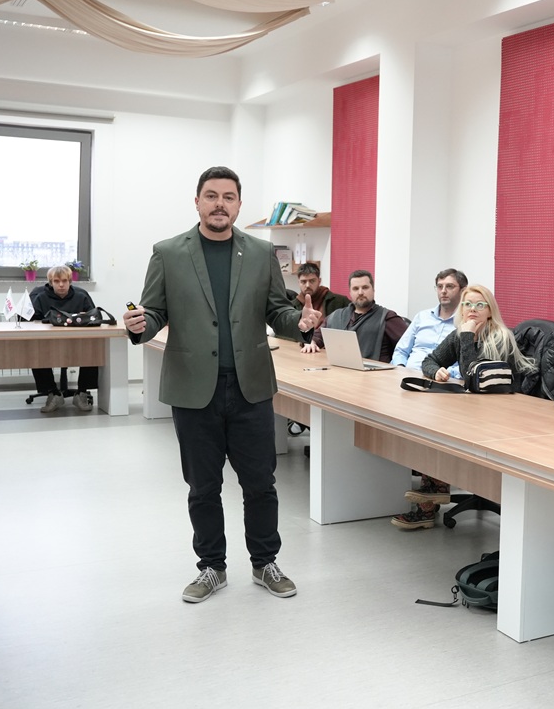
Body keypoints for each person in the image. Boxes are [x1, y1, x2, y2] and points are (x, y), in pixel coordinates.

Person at [123, 166, 306, 604]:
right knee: (203, 487)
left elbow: (278, 313)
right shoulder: (168, 252)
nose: (219, 204)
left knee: (260, 483)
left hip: (250, 387)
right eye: (211, 196)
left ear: (239, 205)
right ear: (197, 202)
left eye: (228, 197)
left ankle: (264, 563)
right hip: (193, 389)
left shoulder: (261, 252)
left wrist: (301, 322)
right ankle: (211, 568)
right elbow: (154, 312)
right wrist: (139, 324)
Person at [393, 285, 537, 529]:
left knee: (444, 429)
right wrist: (436, 371)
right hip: (473, 408)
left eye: (480, 305)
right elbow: (430, 359)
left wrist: (468, 336)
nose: (473, 309)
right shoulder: (461, 334)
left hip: (499, 413)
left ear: (490, 311)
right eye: (468, 304)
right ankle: (432, 493)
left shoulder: (501, 337)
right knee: (431, 424)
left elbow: (474, 377)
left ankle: (431, 497)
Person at [389, 268, 469, 525]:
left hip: (443, 389)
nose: (443, 291)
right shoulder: (422, 317)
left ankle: (427, 504)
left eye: (450, 286)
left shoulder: (466, 324)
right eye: (440, 286)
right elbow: (401, 351)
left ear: (462, 291)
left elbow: (466, 365)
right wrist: (398, 370)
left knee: (427, 428)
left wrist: (442, 374)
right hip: (409, 381)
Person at [29, 264, 100, 413]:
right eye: (56, 281)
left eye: (64, 281)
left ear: (70, 281)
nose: (61, 285)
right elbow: (32, 320)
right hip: (48, 342)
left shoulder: (81, 296)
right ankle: (53, 393)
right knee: (35, 354)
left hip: (78, 342)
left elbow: (94, 317)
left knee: (94, 351)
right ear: (50, 282)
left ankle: (81, 393)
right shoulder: (41, 297)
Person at [300, 269, 408, 362]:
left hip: (375, 375)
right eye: (355, 288)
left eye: (365, 287)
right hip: (339, 371)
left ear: (373, 290)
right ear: (350, 292)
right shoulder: (336, 316)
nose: (360, 292)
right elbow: (316, 337)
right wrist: (311, 342)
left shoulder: (387, 317)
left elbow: (410, 346)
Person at [280, 262, 350, 343]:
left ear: (319, 281)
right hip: (301, 348)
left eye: (312, 281)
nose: (307, 285)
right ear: (298, 282)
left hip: (331, 347)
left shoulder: (340, 302)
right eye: (303, 282)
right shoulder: (291, 307)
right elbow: (283, 335)